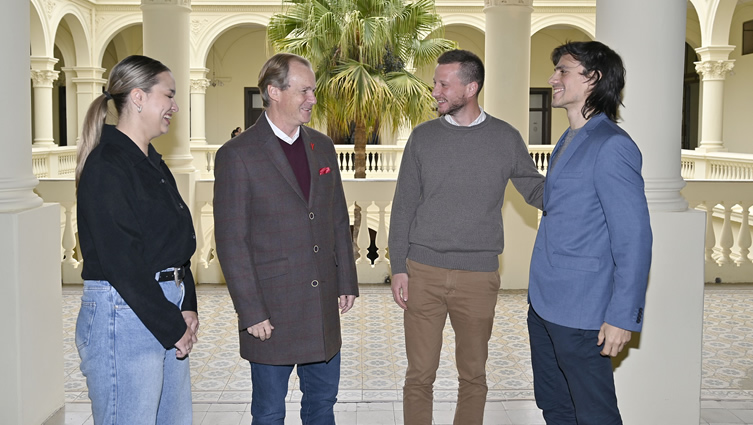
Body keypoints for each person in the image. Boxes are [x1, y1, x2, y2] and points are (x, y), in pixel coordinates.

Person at [388, 49, 545, 425]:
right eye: (435, 82)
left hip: (478, 277)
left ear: (471, 87)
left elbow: (537, 192)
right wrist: (398, 267)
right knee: (419, 376)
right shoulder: (423, 138)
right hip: (422, 271)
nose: (435, 90)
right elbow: (403, 206)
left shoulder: (505, 138)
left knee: (473, 375)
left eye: (444, 84)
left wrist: (589, 187)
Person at [213, 53, 359, 425]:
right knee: (268, 412)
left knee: (322, 405)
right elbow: (232, 241)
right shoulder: (237, 154)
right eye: (305, 90)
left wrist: (346, 281)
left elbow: (337, 218)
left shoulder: (322, 146)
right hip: (271, 314)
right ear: (274, 92)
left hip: (322, 309)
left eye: (313, 90)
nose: (313, 98)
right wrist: (251, 312)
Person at [527, 41, 652, 425]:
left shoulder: (612, 145)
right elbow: (560, 205)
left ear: (593, 79)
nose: (553, 79)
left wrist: (622, 317)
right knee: (555, 404)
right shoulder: (568, 138)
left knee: (594, 413)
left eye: (563, 70)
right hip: (545, 304)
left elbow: (634, 238)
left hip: (583, 313)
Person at [75, 55, 199, 424]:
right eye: (168, 95)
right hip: (125, 313)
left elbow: (177, 245)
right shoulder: (107, 166)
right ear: (138, 97)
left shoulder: (152, 163)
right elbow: (122, 263)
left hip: (159, 307)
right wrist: (172, 325)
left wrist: (186, 304)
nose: (175, 106)